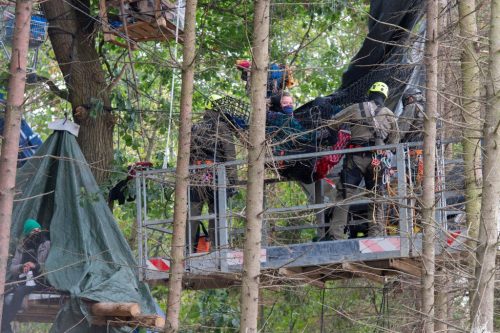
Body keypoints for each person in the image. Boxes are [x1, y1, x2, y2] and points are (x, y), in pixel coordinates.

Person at [327, 82, 400, 239]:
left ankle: (336, 234)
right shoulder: (389, 114)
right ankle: (376, 234)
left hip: (356, 157)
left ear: (370, 93)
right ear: (385, 97)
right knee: (378, 197)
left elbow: (332, 123)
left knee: (345, 195)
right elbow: (394, 144)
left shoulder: (355, 108)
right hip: (377, 159)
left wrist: (338, 138)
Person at [188, 95, 238, 253]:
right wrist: (233, 181)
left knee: (193, 213)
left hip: (196, 175)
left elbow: (187, 155)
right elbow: (230, 155)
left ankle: (186, 249)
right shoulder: (222, 128)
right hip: (217, 175)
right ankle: (216, 250)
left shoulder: (195, 127)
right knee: (216, 213)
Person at [1, 219, 51, 333]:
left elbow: (48, 265)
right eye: (34, 230)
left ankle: (5, 323)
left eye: (38, 229)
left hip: (39, 281)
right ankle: (5, 326)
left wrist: (34, 265)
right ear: (28, 232)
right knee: (6, 294)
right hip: (23, 280)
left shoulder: (45, 244)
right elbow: (12, 268)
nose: (37, 231)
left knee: (19, 291)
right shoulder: (21, 247)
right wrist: (21, 266)